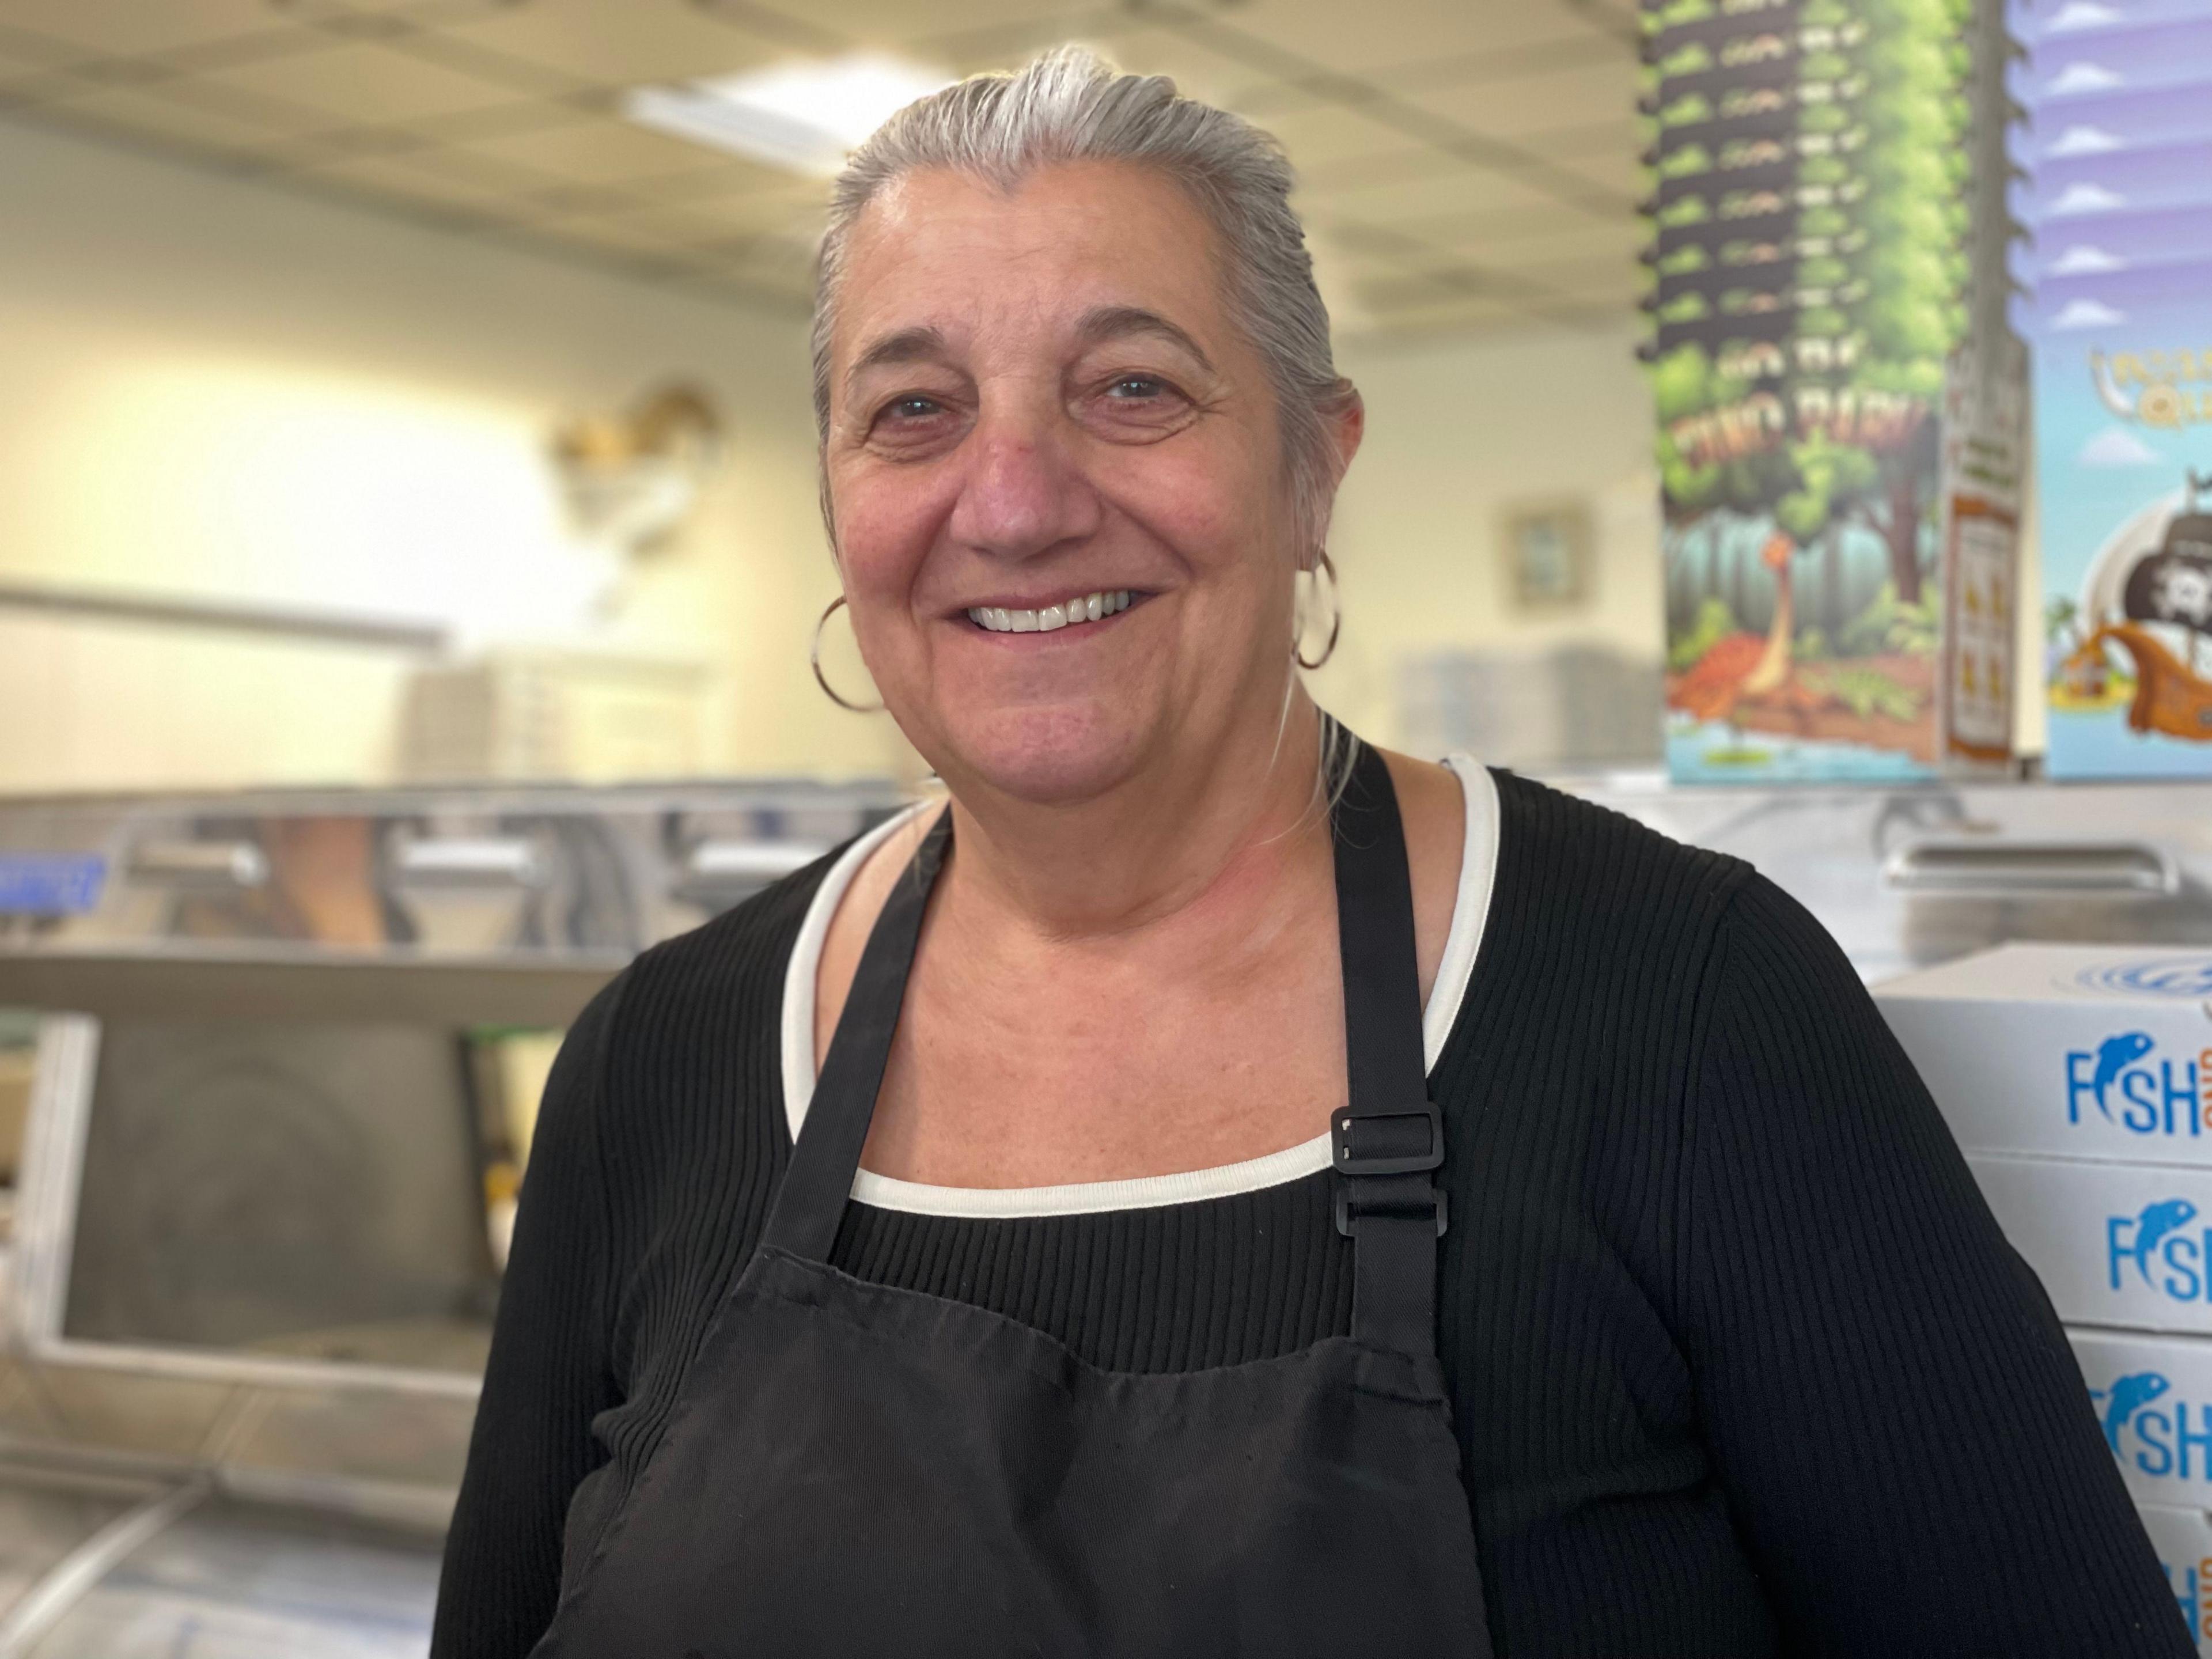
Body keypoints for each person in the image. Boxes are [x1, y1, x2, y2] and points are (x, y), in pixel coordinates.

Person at [431, 47, 2188, 1658]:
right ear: (839, 502)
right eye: (915, 408)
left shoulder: (1681, 1008)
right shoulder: (659, 1064)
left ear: (1313, 471)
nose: (1019, 497)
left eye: (1133, 387)